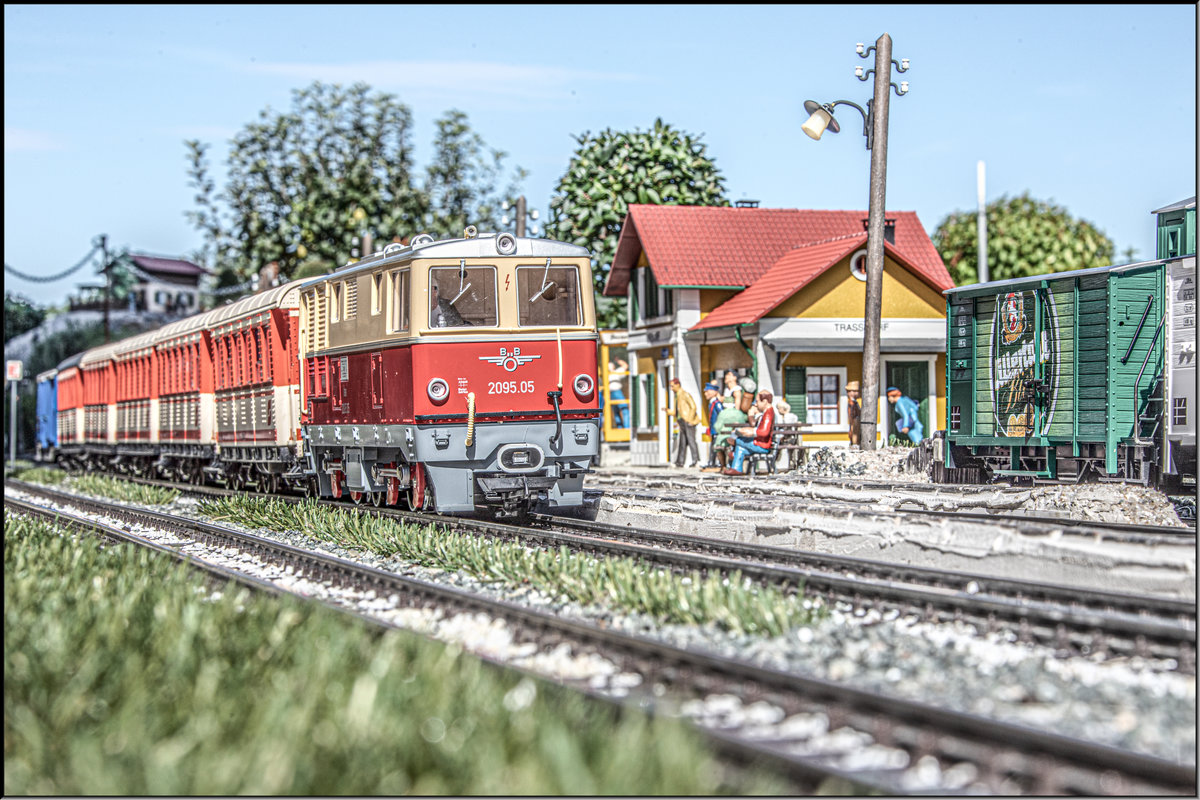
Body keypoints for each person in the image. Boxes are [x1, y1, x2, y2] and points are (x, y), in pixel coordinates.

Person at [724, 391, 776, 475]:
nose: (756, 404)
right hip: (761, 443)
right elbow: (757, 426)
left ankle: (733, 452)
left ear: (765, 401)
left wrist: (749, 432)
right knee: (741, 448)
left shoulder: (768, 414)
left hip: (762, 445)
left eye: (757, 401)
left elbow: (764, 432)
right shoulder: (766, 413)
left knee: (738, 440)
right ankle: (736, 468)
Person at [663, 377, 701, 467]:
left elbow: (693, 407)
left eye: (672, 386)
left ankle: (696, 460)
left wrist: (690, 419)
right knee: (682, 442)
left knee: (691, 441)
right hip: (681, 420)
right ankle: (680, 461)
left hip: (687, 420)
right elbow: (678, 411)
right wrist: (669, 411)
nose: (671, 389)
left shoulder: (684, 394)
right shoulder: (677, 396)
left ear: (678, 384)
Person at [701, 382, 724, 468]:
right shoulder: (712, 403)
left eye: (708, 391)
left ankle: (713, 462)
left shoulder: (717, 403)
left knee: (715, 447)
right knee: (713, 446)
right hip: (713, 429)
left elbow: (722, 415)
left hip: (717, 429)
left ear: (714, 392)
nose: (705, 393)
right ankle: (711, 462)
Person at [845, 380, 862, 448]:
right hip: (855, 420)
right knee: (855, 433)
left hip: (856, 420)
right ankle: (855, 444)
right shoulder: (852, 403)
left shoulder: (855, 402)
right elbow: (851, 413)